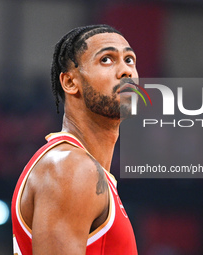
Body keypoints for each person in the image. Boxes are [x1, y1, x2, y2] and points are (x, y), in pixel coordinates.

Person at [11, 24, 139, 255]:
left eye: (129, 60)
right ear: (70, 82)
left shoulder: (81, 168)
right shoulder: (70, 168)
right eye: (107, 60)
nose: (126, 72)